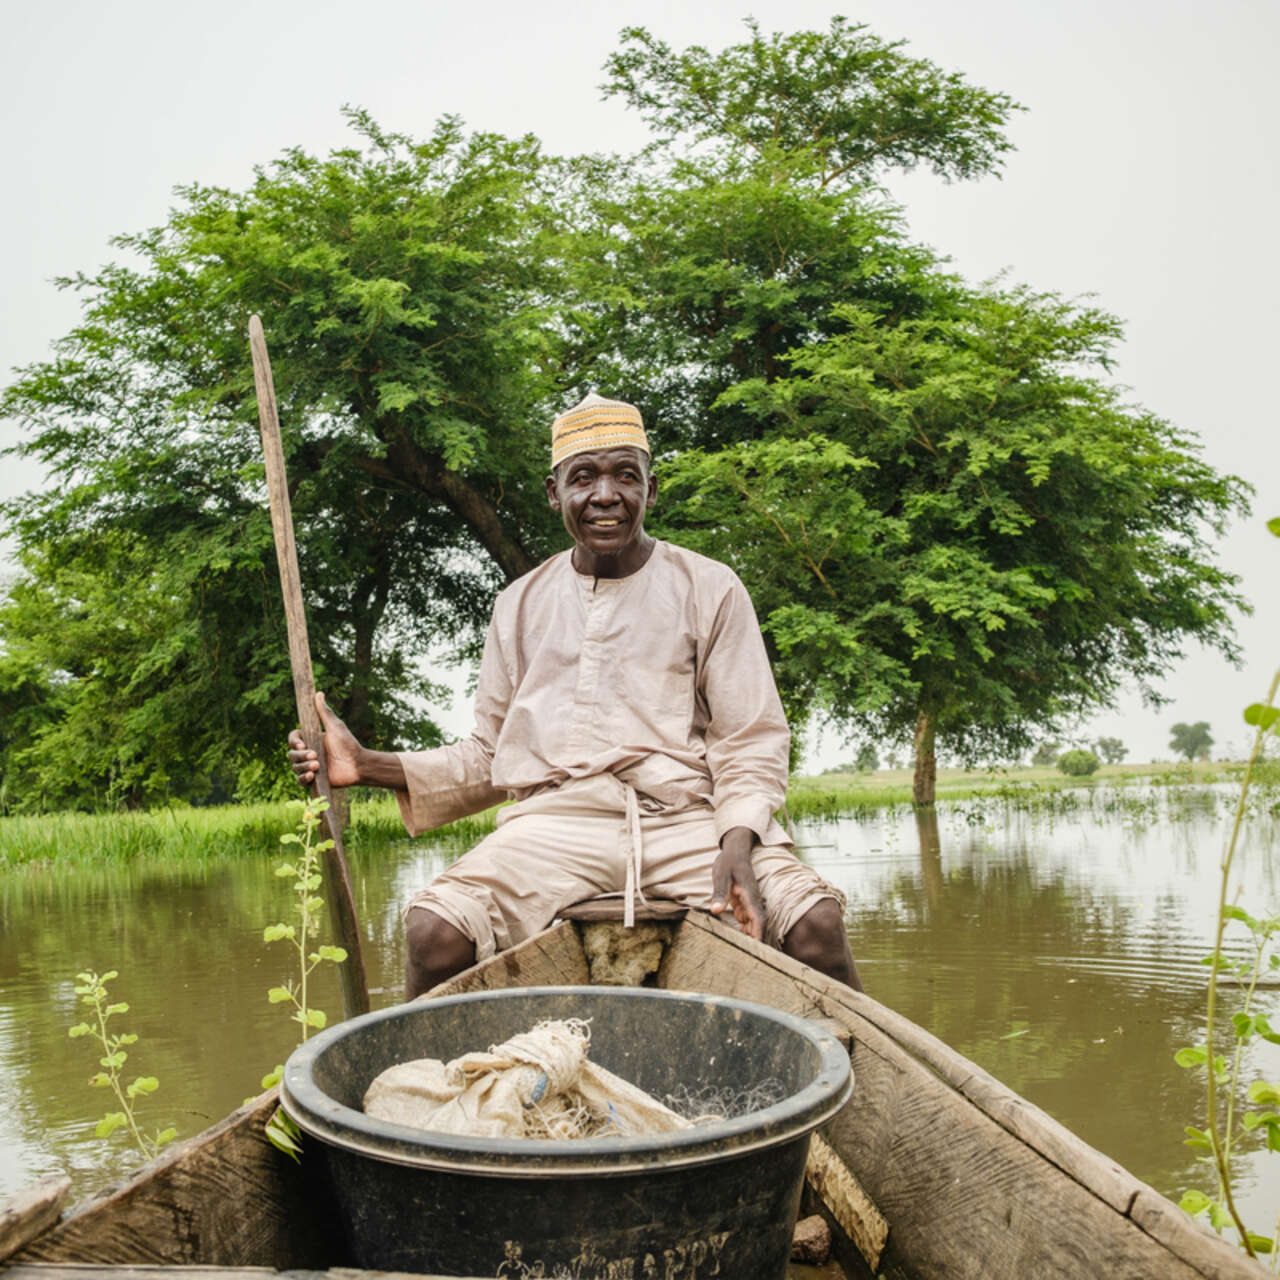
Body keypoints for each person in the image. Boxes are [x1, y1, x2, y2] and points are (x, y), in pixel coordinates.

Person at [289, 394, 861, 997]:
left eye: (625, 475)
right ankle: (427, 1085)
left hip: (685, 821)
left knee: (814, 926)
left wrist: (737, 842)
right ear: (554, 492)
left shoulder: (710, 587)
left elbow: (749, 741)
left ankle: (866, 1083)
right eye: (583, 477)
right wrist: (370, 766)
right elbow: (492, 756)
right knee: (435, 931)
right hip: (555, 825)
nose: (606, 494)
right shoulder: (519, 605)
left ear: (651, 489)